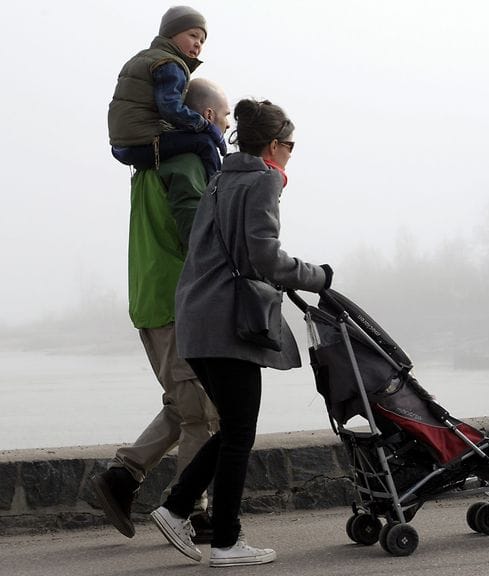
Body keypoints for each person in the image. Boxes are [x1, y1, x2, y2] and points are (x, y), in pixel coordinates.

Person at [149, 99, 333, 568]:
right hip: (225, 321)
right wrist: (318, 276)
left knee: (233, 426)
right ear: (274, 145)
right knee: (240, 431)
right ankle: (226, 541)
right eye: (290, 145)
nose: (292, 153)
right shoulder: (264, 179)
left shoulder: (221, 178)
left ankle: (176, 509)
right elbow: (264, 256)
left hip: (196, 315)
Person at [92, 78, 230, 542]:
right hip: (178, 301)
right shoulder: (188, 160)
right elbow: (197, 234)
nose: (227, 126)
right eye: (226, 117)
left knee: (183, 402)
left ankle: (123, 477)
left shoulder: (148, 162)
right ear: (207, 116)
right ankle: (190, 513)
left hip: (151, 298)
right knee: (201, 415)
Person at [107, 6, 225, 183]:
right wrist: (207, 127)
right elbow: (170, 108)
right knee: (204, 143)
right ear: (171, 34)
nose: (198, 44)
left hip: (121, 146)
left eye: (202, 40)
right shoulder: (170, 63)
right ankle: (217, 193)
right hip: (143, 143)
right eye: (193, 35)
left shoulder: (144, 57)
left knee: (188, 138)